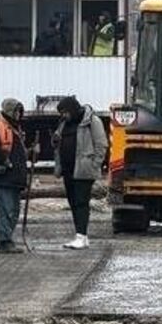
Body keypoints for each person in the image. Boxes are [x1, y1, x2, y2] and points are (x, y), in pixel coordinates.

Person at [53, 95, 110, 250]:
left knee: (81, 202)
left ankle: (81, 235)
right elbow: (58, 143)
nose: (63, 116)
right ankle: (80, 235)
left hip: (84, 170)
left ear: (72, 109)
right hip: (68, 170)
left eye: (65, 112)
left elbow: (101, 145)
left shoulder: (92, 121)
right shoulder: (64, 124)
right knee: (73, 202)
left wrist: (94, 165)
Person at [0, 98, 30, 254]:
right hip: (2, 177)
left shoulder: (15, 129)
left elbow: (18, 152)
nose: (18, 114)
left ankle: (7, 239)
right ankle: (3, 242)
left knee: (13, 210)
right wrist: (6, 161)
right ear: (10, 111)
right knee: (5, 210)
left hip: (14, 178)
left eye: (19, 112)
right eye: (16, 111)